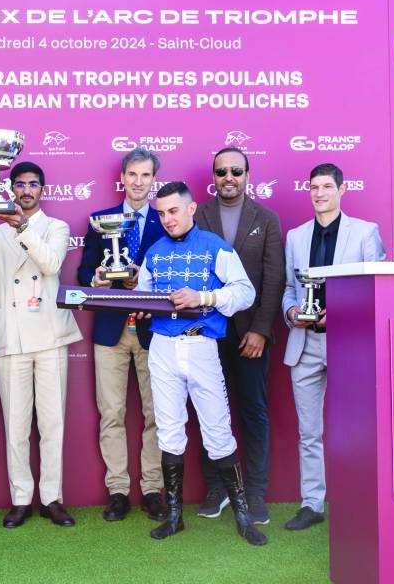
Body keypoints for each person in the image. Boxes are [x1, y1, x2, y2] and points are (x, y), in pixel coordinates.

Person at [134, 181, 266, 546]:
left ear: (191, 209)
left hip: (202, 346)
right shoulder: (154, 252)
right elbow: (143, 297)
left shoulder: (214, 246)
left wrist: (203, 297)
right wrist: (140, 305)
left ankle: (243, 516)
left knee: (218, 432)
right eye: (161, 213)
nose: (167, 219)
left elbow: (245, 292)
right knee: (168, 430)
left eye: (174, 211)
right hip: (162, 348)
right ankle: (174, 516)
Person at [280, 163, 385, 531]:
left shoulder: (365, 233)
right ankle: (312, 503)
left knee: (356, 430)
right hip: (304, 343)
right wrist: (291, 311)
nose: (319, 193)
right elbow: (289, 288)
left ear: (342, 189)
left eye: (327, 186)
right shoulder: (295, 237)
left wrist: (339, 313)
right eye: (314, 187)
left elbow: (376, 289)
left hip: (349, 344)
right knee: (309, 432)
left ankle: (359, 501)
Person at [0, 161, 83, 528]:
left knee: (52, 422)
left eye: (33, 184)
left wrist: (22, 227)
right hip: (12, 337)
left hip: (50, 335)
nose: (26, 190)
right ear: (10, 189)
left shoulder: (56, 227)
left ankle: (52, 498)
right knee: (16, 424)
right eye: (20, 184)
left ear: (42, 189)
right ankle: (21, 498)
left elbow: (51, 265)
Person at [75, 146, 167, 522]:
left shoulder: (166, 220)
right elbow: (84, 273)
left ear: (153, 180)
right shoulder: (101, 221)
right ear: (123, 177)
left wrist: (146, 282)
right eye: (133, 174)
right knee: (111, 412)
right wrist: (97, 278)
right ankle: (118, 491)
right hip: (110, 330)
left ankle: (152, 490)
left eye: (145, 175)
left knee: (156, 413)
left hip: (153, 330)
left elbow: (173, 276)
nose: (138, 182)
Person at [194, 147, 284, 525]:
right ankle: (218, 488)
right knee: (209, 412)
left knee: (253, 412)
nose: (228, 177)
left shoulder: (267, 219)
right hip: (207, 332)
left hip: (250, 334)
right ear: (213, 177)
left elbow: (274, 279)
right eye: (221, 172)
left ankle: (256, 492)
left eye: (236, 171)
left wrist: (261, 330)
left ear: (248, 175)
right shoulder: (197, 216)